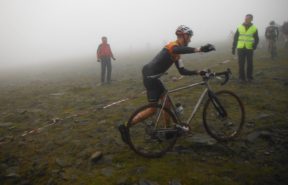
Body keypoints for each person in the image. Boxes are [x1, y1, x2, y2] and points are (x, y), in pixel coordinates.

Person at [132, 25, 215, 124]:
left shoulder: (177, 54)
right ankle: (127, 125)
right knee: (152, 110)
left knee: (167, 103)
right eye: (189, 37)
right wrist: (199, 49)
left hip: (154, 77)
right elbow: (177, 50)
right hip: (150, 77)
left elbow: (182, 71)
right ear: (183, 36)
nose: (190, 40)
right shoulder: (172, 46)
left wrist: (198, 72)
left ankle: (168, 131)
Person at [232, 14, 259, 83]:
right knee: (241, 63)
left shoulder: (254, 28)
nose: (246, 20)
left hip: (249, 48)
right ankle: (241, 78)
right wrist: (233, 47)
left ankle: (249, 77)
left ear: (251, 19)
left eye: (248, 18)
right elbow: (235, 38)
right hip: (240, 48)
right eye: (245, 18)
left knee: (250, 63)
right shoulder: (239, 27)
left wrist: (255, 45)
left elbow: (256, 38)